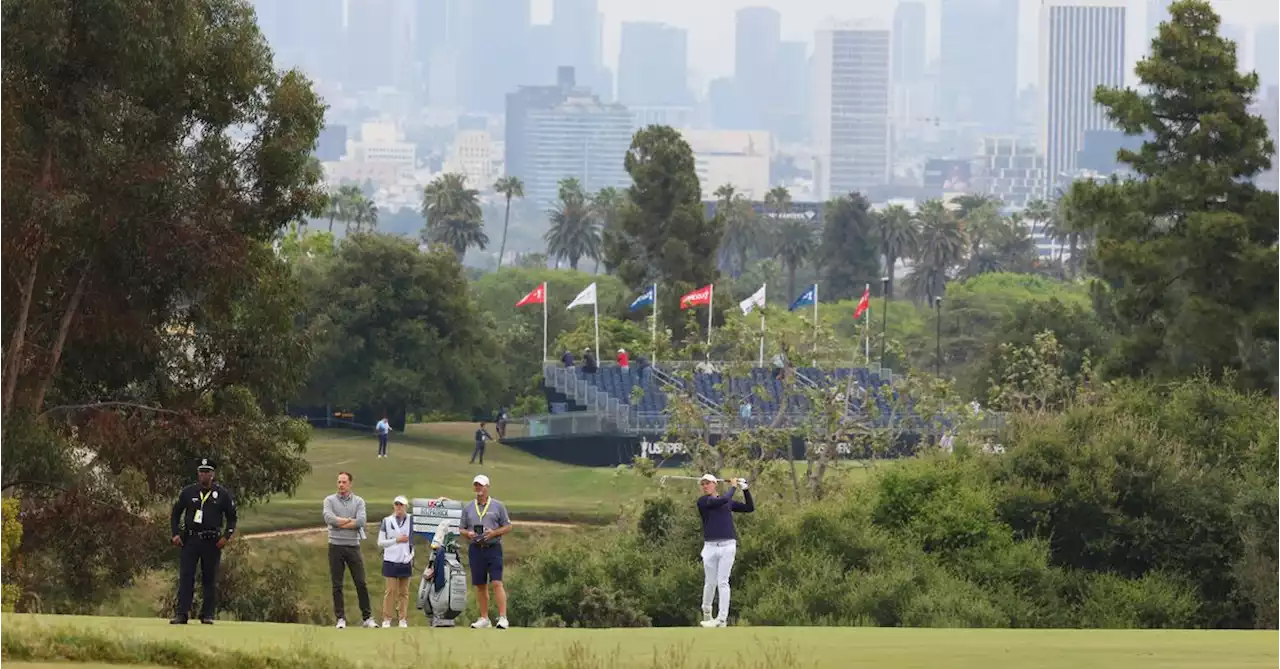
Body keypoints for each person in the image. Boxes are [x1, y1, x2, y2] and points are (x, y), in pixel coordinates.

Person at [169, 457, 237, 625]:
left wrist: (226, 537)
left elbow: (232, 518)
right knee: (186, 577)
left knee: (209, 578)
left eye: (207, 472)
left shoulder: (222, 494)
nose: (204, 475)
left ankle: (207, 614)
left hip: (211, 542)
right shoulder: (188, 492)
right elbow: (176, 513)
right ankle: (182, 614)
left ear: (213, 474)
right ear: (198, 473)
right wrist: (175, 533)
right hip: (190, 540)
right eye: (201, 472)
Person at [696, 474, 754, 628]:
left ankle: (722, 620)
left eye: (707, 483)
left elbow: (749, 508)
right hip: (710, 547)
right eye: (703, 484)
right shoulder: (704, 501)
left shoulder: (727, 502)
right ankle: (707, 611)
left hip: (728, 545)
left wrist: (745, 489)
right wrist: (734, 486)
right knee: (710, 582)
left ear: (715, 484)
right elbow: (720, 501)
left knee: (723, 582)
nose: (705, 486)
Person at [323, 471, 376, 629]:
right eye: (339, 482)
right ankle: (340, 618)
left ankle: (367, 618)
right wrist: (347, 521)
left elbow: (361, 521)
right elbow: (329, 518)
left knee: (360, 582)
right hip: (335, 545)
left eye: (344, 482)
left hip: (353, 546)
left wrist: (339, 523)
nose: (341, 485)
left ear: (350, 484)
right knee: (337, 584)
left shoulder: (358, 501)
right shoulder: (329, 500)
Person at [459, 474, 512, 629]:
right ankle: (484, 618)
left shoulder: (498, 506)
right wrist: (468, 534)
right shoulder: (468, 507)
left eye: (481, 485)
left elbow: (508, 526)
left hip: (493, 548)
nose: (478, 488)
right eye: (476, 485)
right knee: (480, 585)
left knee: (496, 582)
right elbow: (461, 528)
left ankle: (503, 617)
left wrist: (494, 533)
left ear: (487, 487)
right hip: (476, 548)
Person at [377, 495, 414, 628]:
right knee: (391, 591)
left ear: (406, 507)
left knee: (404, 592)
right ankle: (387, 618)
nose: (399, 507)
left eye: (401, 505)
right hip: (391, 559)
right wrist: (396, 540)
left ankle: (402, 619)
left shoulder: (411, 520)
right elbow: (381, 542)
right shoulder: (387, 521)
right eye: (397, 505)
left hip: (405, 559)